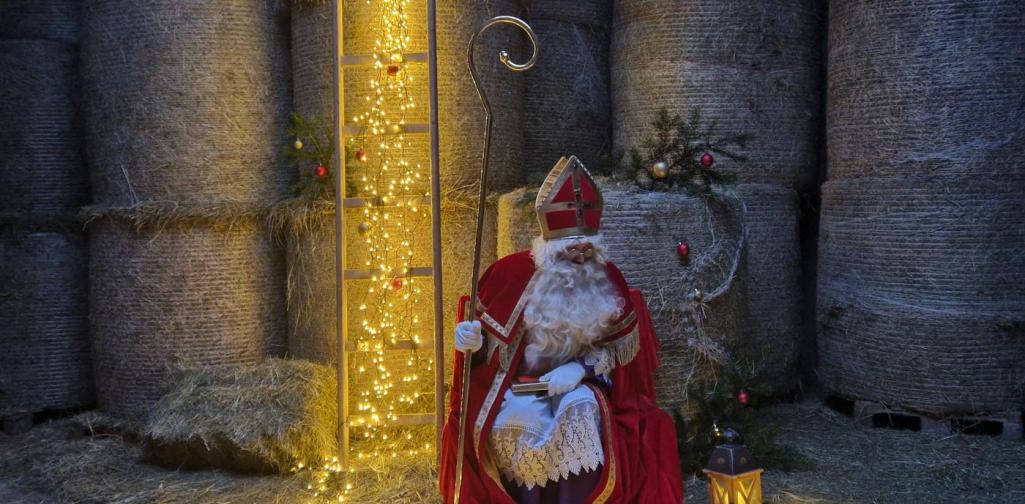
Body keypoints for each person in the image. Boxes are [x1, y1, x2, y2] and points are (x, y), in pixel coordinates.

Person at [439, 156, 684, 504]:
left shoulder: (606, 280)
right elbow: (484, 356)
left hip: (580, 386)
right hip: (520, 388)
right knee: (515, 423)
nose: (581, 259)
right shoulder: (513, 277)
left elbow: (617, 350)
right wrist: (474, 344)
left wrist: (580, 369)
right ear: (552, 250)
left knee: (578, 412)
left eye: (588, 249)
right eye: (572, 250)